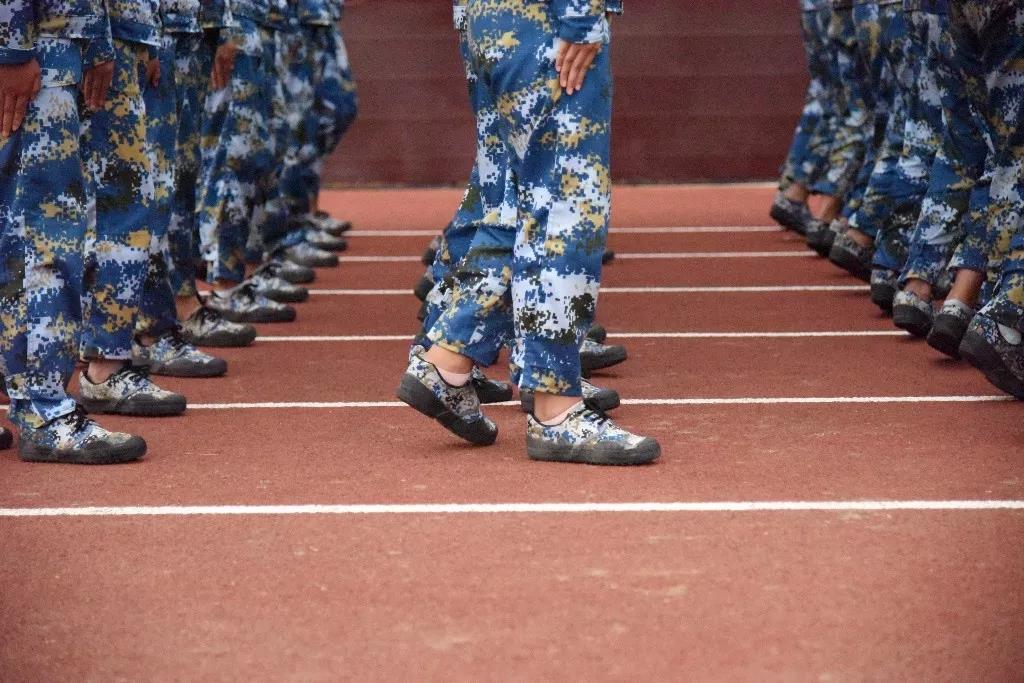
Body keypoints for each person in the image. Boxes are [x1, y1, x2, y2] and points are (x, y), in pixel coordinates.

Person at [398, 0, 659, 466]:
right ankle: (556, 409)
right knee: (564, 207)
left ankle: (450, 360)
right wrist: (582, 14)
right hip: (543, 21)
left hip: (494, 18)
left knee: (512, 203)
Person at [0, 0, 146, 462]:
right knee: (41, 237)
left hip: (55, 47)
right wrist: (10, 49)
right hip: (37, 52)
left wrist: (98, 43)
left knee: (25, 229)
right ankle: (43, 410)